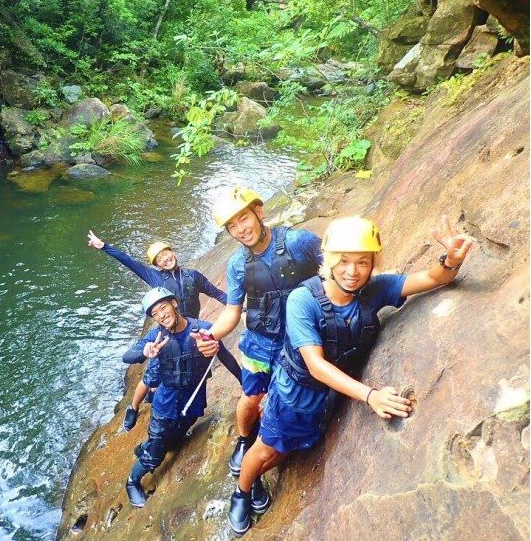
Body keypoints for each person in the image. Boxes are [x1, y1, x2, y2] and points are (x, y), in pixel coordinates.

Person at [227, 215, 475, 536]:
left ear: (373, 263)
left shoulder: (374, 289)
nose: (352, 271)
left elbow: (430, 278)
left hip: (330, 394)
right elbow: (315, 365)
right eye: (343, 261)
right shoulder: (303, 301)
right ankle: (243, 491)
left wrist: (450, 260)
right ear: (328, 260)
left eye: (362, 262)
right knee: (268, 448)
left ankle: (254, 477)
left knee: (292, 447)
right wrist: (371, 396)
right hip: (295, 392)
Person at [203, 187, 322, 476]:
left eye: (243, 219)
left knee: (287, 399)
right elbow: (232, 312)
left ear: (259, 211)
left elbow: (333, 268)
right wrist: (211, 336)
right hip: (260, 341)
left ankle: (271, 447)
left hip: (298, 342)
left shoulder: (298, 242)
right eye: (232, 226)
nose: (240, 230)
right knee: (251, 397)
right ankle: (244, 440)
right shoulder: (237, 265)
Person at [87, 231, 228, 431]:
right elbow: (129, 262)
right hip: (166, 334)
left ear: (173, 252)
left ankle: (179, 413)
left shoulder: (192, 276)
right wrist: (104, 246)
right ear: (156, 265)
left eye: (166, 253)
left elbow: (215, 292)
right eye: (159, 258)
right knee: (152, 374)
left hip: (189, 330)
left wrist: (236, 305)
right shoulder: (154, 277)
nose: (165, 258)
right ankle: (133, 407)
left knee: (191, 371)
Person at [122, 287, 242, 507]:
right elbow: (127, 356)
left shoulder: (202, 329)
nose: (161, 315)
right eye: (155, 314)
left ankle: (150, 444)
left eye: (163, 307)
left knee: (175, 439)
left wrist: (245, 383)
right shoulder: (155, 337)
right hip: (166, 404)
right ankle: (132, 481)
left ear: (175, 303)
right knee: (157, 453)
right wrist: (145, 351)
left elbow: (225, 357)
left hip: (192, 399)